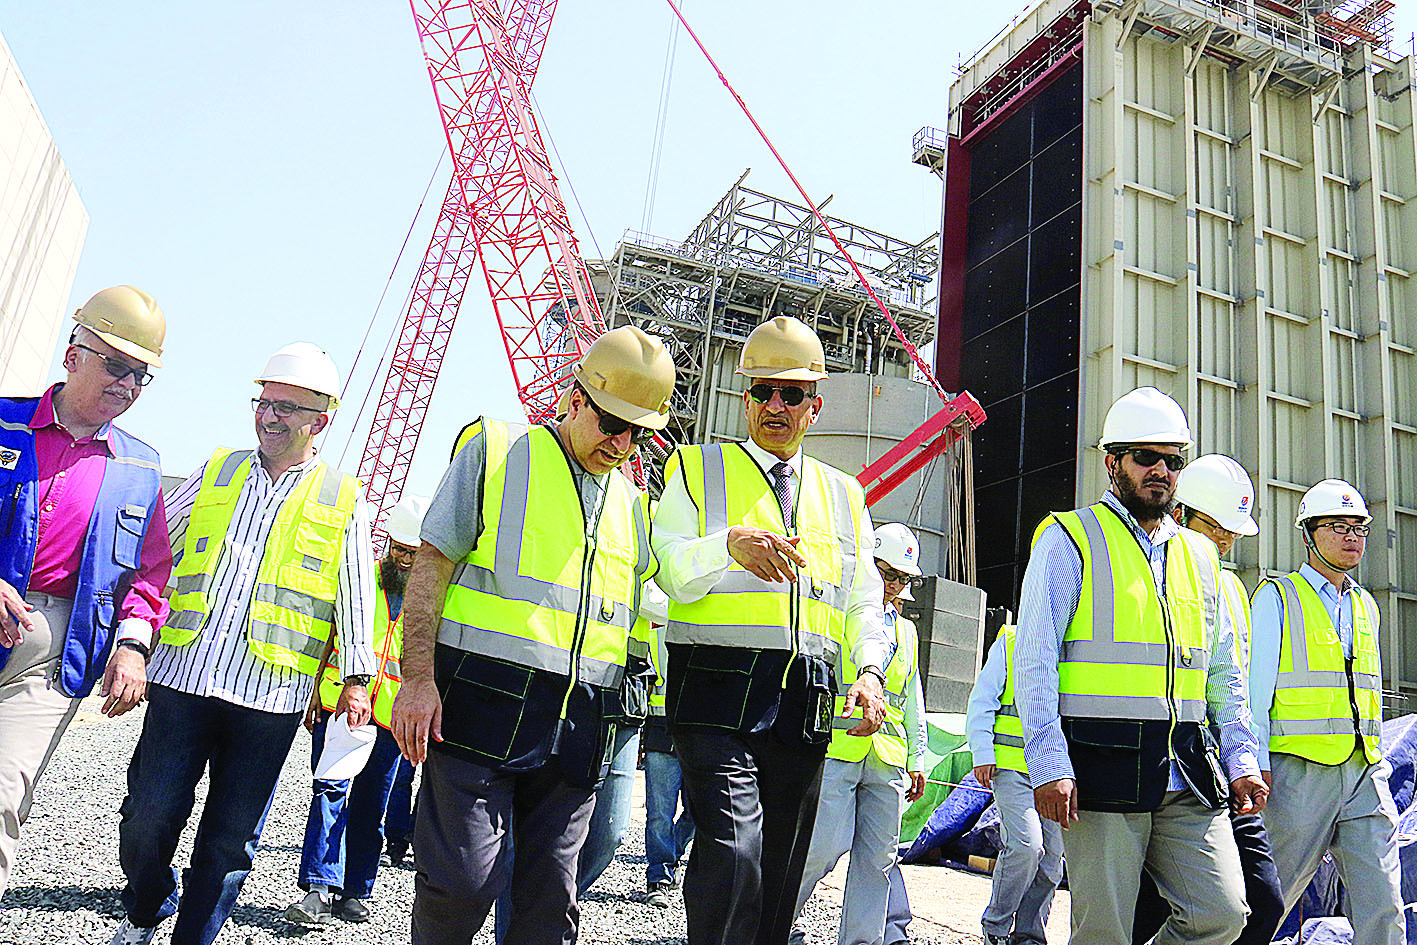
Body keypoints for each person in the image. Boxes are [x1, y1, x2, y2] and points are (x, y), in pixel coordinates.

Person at [390, 325, 674, 945]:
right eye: (609, 424)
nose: (621, 443)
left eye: (637, 432)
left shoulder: (630, 503)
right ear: (576, 399)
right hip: (474, 716)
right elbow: (432, 561)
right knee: (460, 886)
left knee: (550, 909)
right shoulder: (497, 449)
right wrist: (416, 679)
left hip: (574, 732)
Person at [109, 342, 377, 945]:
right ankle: (148, 905)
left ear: (320, 422)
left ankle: (193, 937)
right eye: (264, 402)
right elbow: (155, 548)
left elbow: (357, 591)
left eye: (286, 407)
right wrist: (126, 628)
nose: (269, 416)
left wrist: (358, 681)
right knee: (147, 817)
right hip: (184, 677)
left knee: (230, 840)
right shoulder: (218, 471)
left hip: (271, 695)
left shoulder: (343, 498)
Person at [652, 314, 891, 945]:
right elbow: (668, 568)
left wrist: (868, 672)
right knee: (732, 852)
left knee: (780, 876)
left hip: (804, 706)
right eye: (761, 391)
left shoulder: (844, 496)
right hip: (713, 699)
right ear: (744, 396)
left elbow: (865, 600)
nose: (774, 406)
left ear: (816, 405)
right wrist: (726, 547)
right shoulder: (696, 468)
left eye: (790, 394)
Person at [1014, 386, 1267, 945]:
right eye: (1145, 457)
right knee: (1102, 933)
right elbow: (1034, 662)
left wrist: (1243, 756)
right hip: (1101, 768)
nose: (1161, 470)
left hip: (1188, 772)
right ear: (1113, 463)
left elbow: (1224, 675)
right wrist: (1049, 762)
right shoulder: (1069, 538)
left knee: (1221, 914)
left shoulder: (1201, 556)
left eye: (1172, 459)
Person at [0, 286, 169, 898]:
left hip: (51, 654)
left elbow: (149, 575)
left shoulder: (141, 467)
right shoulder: (2, 419)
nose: (128, 384)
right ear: (73, 356)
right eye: (117, 366)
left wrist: (132, 646)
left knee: (2, 796)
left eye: (142, 375)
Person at [1131, 454, 1283, 945]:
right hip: (1171, 767)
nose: (1224, 541)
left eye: (1232, 534)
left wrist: (1247, 760)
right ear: (1179, 514)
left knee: (1261, 902)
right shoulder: (1153, 580)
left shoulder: (1234, 589)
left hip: (1220, 773)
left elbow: (1233, 684)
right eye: (1215, 528)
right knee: (1149, 910)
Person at [1248, 478, 1404, 945]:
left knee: (1383, 902)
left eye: (1360, 527)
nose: (1353, 536)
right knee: (1268, 901)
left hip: (1363, 772)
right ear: (1307, 534)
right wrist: (1253, 763)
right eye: (1338, 526)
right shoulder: (1278, 597)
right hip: (1298, 776)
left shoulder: (1365, 604)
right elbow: (1255, 692)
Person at [285, 493, 429, 926]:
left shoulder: (431, 599)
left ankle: (355, 891)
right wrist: (312, 687)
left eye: (414, 554)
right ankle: (318, 887)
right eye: (399, 550)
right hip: (341, 707)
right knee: (330, 792)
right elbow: (326, 631)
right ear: (387, 543)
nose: (404, 560)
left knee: (372, 805)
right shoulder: (360, 579)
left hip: (390, 718)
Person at [789, 521, 930, 945]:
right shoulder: (843, 615)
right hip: (837, 749)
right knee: (821, 847)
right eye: (887, 573)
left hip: (888, 757)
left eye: (902, 578)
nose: (893, 585)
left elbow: (913, 699)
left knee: (878, 860)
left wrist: (918, 758)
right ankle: (773, 921)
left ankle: (862, 941)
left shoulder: (906, 631)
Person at [966, 622, 1064, 945]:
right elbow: (982, 700)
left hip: (1052, 774)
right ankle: (995, 927)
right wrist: (982, 751)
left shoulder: (1072, 647)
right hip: (1011, 770)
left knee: (1051, 862)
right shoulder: (1010, 642)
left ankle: (1028, 935)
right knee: (1026, 845)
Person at [642, 581, 694, 909]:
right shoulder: (655, 623)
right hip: (662, 727)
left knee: (698, 809)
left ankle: (671, 854)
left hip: (695, 731)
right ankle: (659, 875)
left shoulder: (706, 629)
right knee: (659, 812)